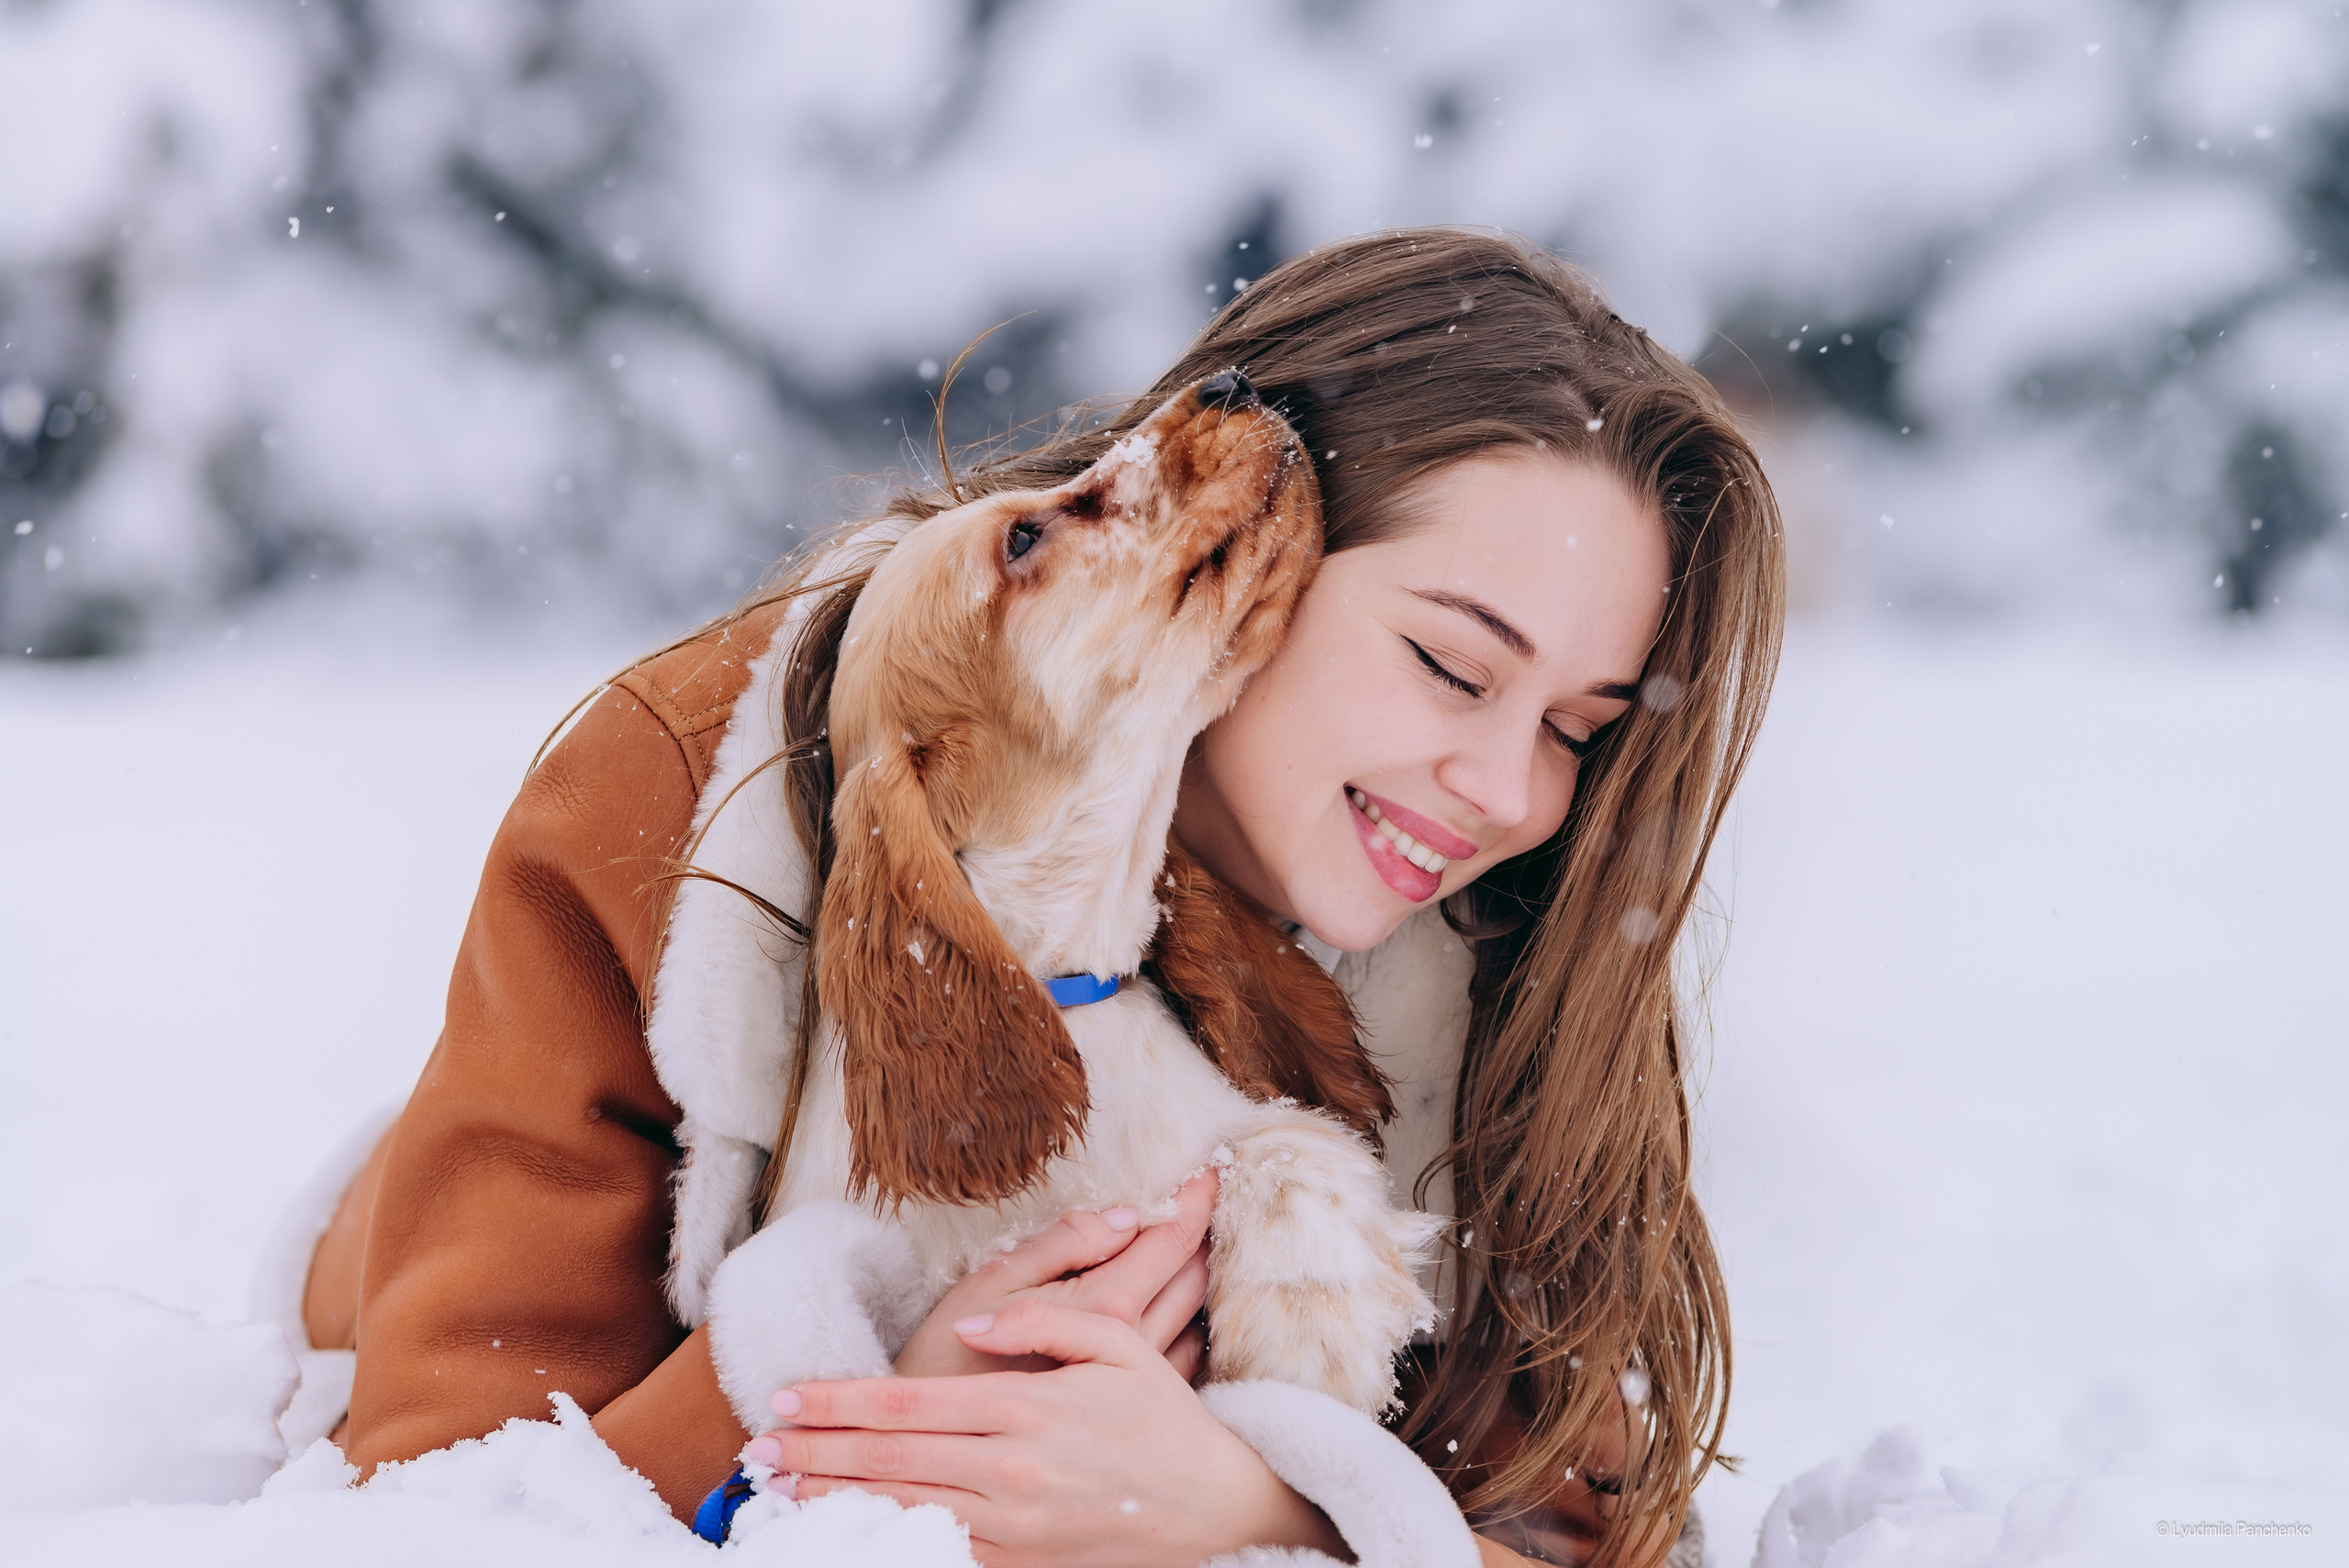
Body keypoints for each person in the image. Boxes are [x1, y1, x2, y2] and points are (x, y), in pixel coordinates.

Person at [286, 227, 1784, 1567]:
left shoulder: (1504, 932)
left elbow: (1591, 1528)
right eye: (1451, 666)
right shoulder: (697, 798)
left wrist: (1259, 1510)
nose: (1507, 792)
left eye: (1576, 728)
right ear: (1261, 517)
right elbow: (436, 1504)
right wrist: (880, 1411)